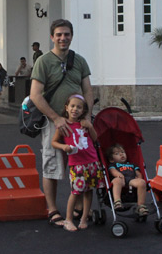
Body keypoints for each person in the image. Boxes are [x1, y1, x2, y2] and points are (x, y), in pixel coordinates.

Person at [30, 19, 93, 228]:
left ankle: (77, 208)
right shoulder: (44, 62)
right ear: (52, 37)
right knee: (52, 164)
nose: (63, 38)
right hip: (54, 122)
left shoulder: (80, 61)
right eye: (58, 35)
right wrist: (56, 118)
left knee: (83, 163)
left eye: (66, 34)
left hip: (77, 124)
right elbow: (36, 95)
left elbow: (88, 91)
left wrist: (87, 116)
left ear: (71, 36)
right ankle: (53, 209)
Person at [51, 94, 101, 232]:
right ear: (66, 108)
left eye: (79, 107)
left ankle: (84, 218)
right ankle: (68, 220)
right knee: (75, 192)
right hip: (77, 164)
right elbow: (54, 142)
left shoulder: (85, 124)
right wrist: (63, 147)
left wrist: (90, 126)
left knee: (89, 191)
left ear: (83, 110)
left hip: (91, 162)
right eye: (72, 106)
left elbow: (95, 139)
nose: (75, 109)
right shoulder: (64, 126)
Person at [107, 144, 149, 216]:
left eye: (122, 152)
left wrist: (139, 177)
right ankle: (117, 201)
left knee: (142, 182)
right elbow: (113, 171)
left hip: (131, 180)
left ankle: (141, 206)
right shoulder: (113, 165)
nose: (121, 154)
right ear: (111, 159)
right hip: (120, 180)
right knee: (116, 181)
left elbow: (138, 173)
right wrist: (119, 175)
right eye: (117, 154)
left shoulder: (132, 165)